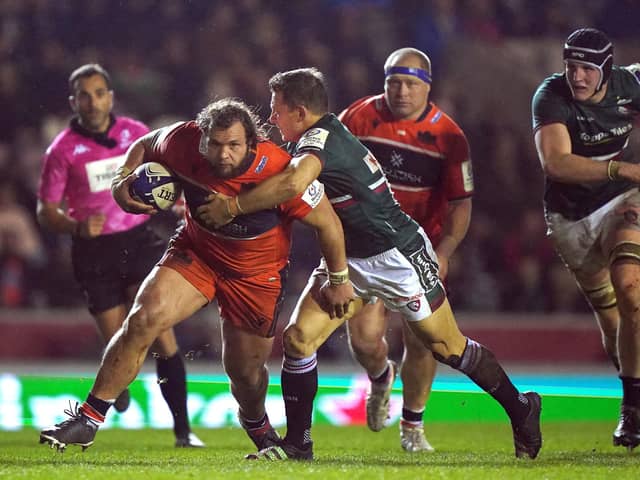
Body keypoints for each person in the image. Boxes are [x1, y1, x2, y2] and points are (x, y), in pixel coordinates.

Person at [204, 67, 542, 461]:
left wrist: (233, 206)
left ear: (299, 111)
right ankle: (298, 445)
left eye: (277, 109)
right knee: (298, 340)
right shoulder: (325, 133)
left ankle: (521, 407)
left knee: (447, 347)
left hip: (398, 255)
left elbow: (295, 184)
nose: (272, 118)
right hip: (350, 257)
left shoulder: (318, 139)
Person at [38, 97, 353, 453]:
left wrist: (339, 279)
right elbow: (144, 145)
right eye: (215, 145)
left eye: (233, 145)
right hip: (198, 254)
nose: (222, 155)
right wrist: (121, 182)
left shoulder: (280, 170)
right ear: (201, 138)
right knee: (143, 319)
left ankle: (260, 430)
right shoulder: (181, 141)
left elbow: (328, 224)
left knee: (245, 377)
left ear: (253, 141)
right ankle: (89, 418)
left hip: (255, 278)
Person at [36, 63, 202, 448]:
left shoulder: (136, 134)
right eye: (83, 95)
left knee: (162, 333)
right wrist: (75, 226)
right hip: (93, 252)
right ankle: (118, 388)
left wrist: (175, 201)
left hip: (138, 241)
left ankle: (183, 432)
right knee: (118, 342)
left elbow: (164, 176)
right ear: (73, 101)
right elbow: (46, 211)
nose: (92, 102)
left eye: (98, 93)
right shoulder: (60, 151)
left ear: (110, 96)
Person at [337, 47, 473, 453]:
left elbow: (461, 202)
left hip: (416, 250)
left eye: (411, 84)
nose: (401, 91)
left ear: (427, 87)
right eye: (394, 82)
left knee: (423, 340)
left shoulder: (449, 136)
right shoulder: (357, 118)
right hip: (365, 246)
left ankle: (412, 427)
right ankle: (380, 376)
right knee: (363, 339)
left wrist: (445, 250)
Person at [532, 27, 640, 450]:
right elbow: (556, 164)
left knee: (631, 288)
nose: (577, 76)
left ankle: (632, 415)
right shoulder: (550, 96)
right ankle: (631, 392)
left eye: (587, 69)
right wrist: (625, 169)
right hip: (571, 217)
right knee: (611, 314)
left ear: (606, 71)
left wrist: (628, 181)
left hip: (621, 203)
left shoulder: (630, 84)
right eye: (571, 66)